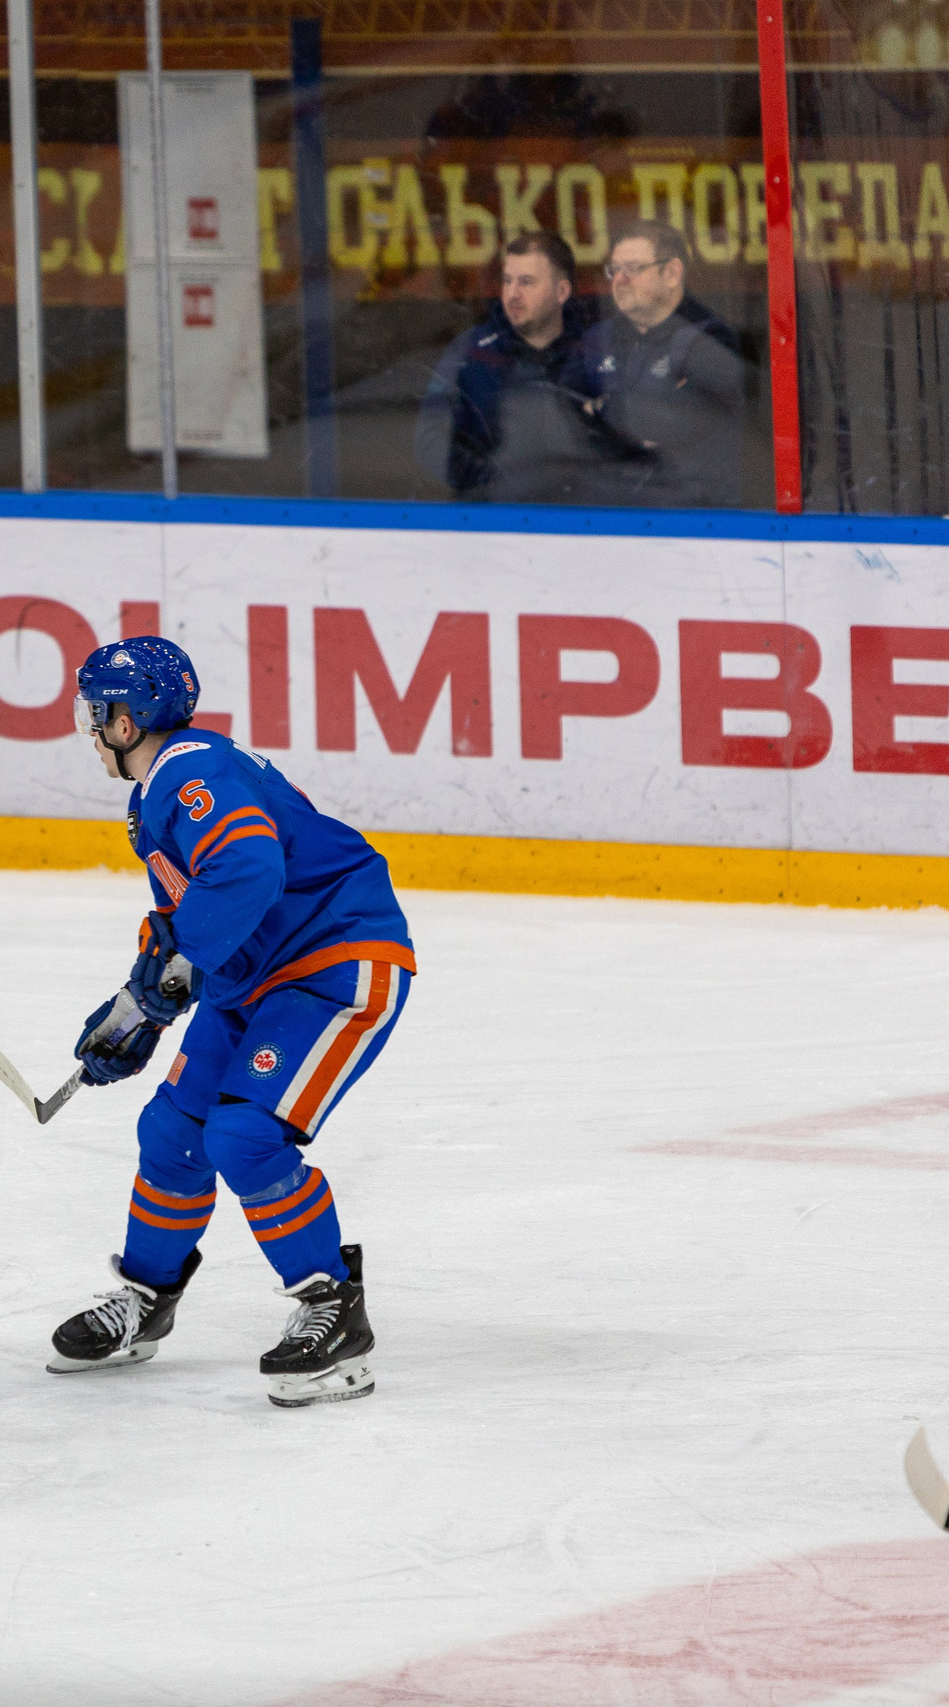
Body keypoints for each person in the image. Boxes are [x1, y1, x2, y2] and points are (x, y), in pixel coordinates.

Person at [49, 637, 415, 1407]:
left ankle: (334, 1308)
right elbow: (189, 927)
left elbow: (250, 868)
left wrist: (167, 980)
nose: (92, 730)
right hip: (255, 980)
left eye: (97, 713)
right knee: (173, 1131)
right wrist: (138, 1014)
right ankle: (148, 1297)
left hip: (334, 963)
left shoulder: (188, 769)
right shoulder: (158, 794)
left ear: (127, 719)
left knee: (245, 1134)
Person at [414, 230, 602, 503]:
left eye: (526, 282)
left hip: (583, 518)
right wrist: (491, 482)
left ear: (561, 291)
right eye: (507, 281)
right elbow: (431, 435)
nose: (513, 294)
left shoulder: (594, 350)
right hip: (490, 516)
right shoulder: (471, 351)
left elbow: (625, 438)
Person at [577, 219, 751, 508]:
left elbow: (664, 424)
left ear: (671, 274)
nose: (619, 280)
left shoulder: (710, 339)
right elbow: (568, 421)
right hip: (608, 516)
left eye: (633, 269)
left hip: (694, 517)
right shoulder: (597, 339)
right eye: (614, 270)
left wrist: (605, 408)